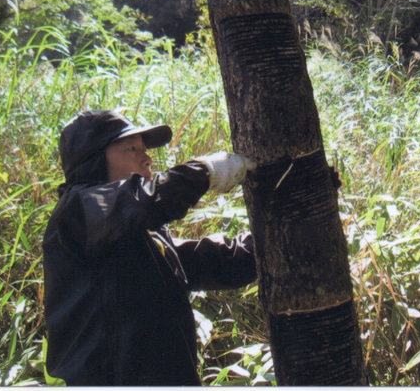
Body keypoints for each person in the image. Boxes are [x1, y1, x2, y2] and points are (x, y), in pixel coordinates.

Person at [42, 109, 258, 385]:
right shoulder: (78, 212)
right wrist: (206, 171)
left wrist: (283, 233)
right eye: (131, 149)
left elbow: (217, 261)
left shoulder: (138, 236)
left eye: (144, 149)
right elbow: (147, 200)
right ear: (92, 163)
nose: (147, 159)